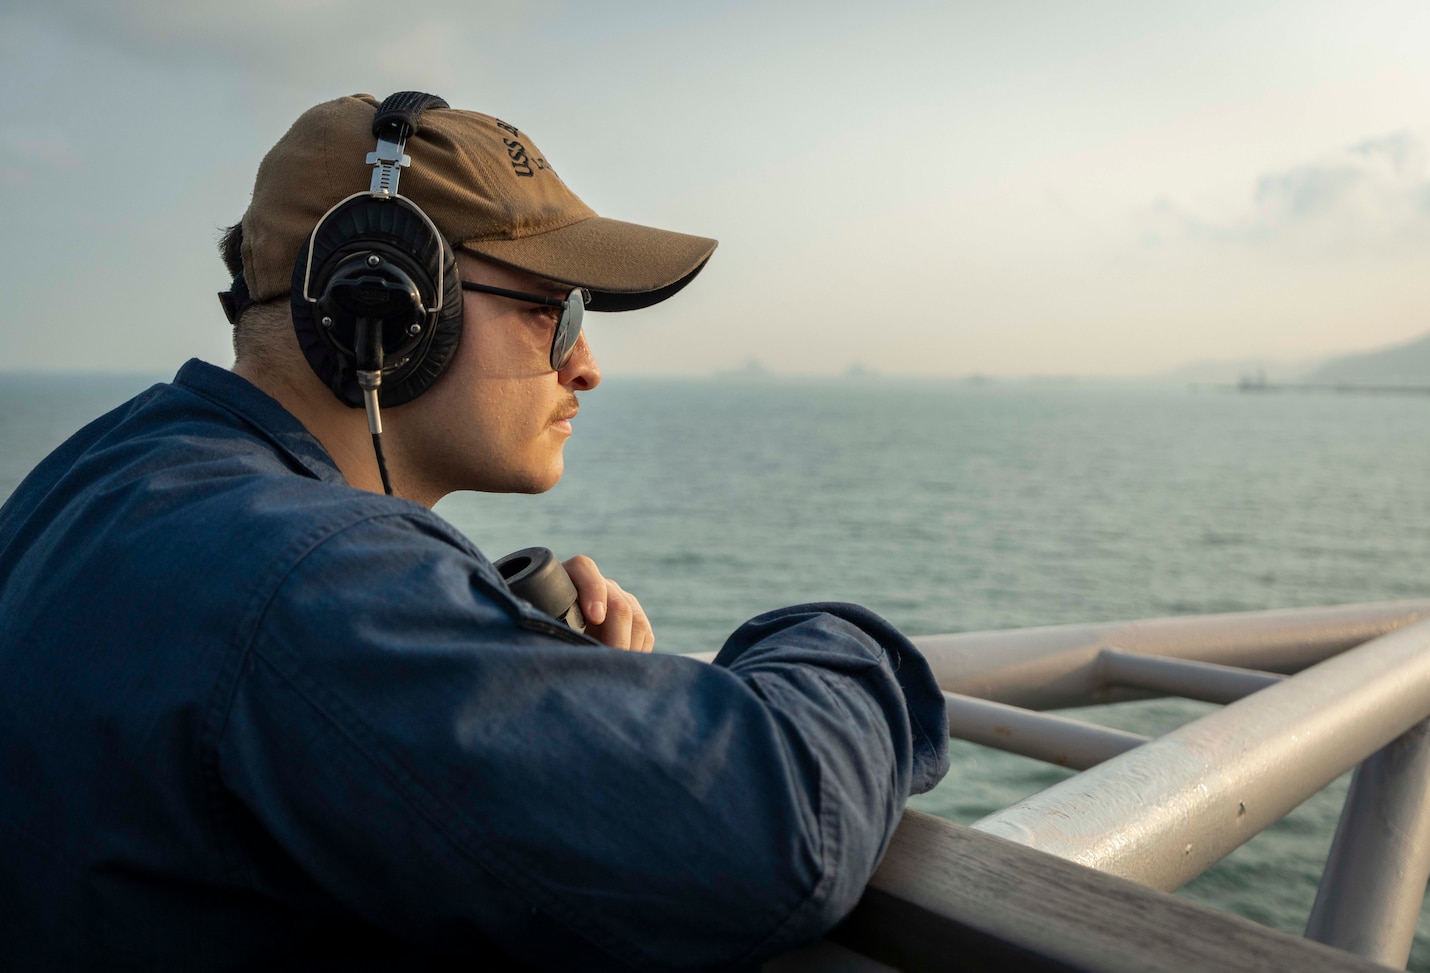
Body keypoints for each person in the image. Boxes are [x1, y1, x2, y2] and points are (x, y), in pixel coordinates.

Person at [0, 92, 948, 971]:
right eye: (556, 307)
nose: (586, 367)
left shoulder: (108, 473)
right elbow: (784, 833)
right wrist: (833, 644)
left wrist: (521, 670)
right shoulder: (315, 581)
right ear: (391, 306)